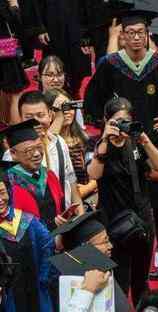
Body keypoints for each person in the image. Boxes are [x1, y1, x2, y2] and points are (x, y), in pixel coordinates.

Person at [86, 97, 158, 305]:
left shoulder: (136, 142)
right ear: (106, 120)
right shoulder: (98, 144)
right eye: (116, 120)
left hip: (141, 220)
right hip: (113, 221)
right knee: (118, 279)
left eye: (126, 120)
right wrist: (104, 141)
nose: (121, 125)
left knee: (141, 279)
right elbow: (94, 174)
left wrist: (145, 140)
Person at [84, 5, 158, 150]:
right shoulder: (109, 64)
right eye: (131, 32)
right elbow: (93, 101)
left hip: (156, 138)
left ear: (146, 34)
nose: (136, 37)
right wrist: (107, 124)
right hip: (121, 139)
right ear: (123, 35)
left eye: (140, 32)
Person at [0, 160, 54, 312]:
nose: (0, 200)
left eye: (2, 192)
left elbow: (47, 243)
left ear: (9, 192)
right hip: (8, 299)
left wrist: (43, 276)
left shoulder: (26, 220)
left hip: (35, 291)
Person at [2, 119, 66, 230]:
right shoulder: (7, 184)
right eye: (29, 150)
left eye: (39, 147)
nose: (37, 154)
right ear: (13, 154)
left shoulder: (49, 176)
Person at [0, 0, 28, 125]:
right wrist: (13, 4)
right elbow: (12, 20)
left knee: (4, 91)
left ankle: (4, 122)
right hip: (4, 49)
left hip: (5, 48)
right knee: (15, 92)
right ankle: (16, 131)